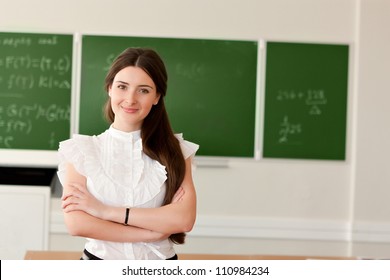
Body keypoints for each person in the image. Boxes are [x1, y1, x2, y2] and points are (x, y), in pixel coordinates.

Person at [57, 47, 199, 260]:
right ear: (110, 89)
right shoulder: (81, 150)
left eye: (143, 90)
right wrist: (149, 233)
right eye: (122, 87)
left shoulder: (176, 151)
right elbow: (77, 224)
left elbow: (184, 219)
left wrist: (104, 212)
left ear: (157, 97)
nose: (130, 99)